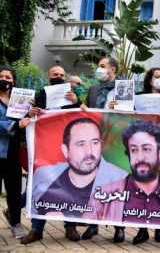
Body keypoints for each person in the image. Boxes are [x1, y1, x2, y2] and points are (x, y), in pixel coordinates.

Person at [84, 119, 160, 227]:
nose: (140, 157)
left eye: (146, 149)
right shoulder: (102, 196)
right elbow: (87, 232)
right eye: (134, 150)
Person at [22, 65, 84, 244]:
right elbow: (27, 120)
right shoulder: (38, 96)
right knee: (40, 187)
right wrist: (31, 113)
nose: (58, 77)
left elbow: (85, 115)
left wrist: (76, 103)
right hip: (45, 150)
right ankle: (36, 229)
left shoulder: (71, 96)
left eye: (62, 75)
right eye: (55, 74)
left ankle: (70, 228)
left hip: (68, 151)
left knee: (71, 188)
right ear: (48, 77)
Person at [80, 56, 126, 243]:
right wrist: (82, 107)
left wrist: (121, 107)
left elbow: (133, 114)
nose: (98, 69)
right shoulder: (92, 90)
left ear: (112, 70)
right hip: (94, 143)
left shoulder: (125, 89)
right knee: (93, 184)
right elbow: (87, 111)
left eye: (102, 66)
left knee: (116, 184)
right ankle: (93, 225)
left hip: (115, 143)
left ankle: (119, 227)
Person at [132, 67, 160, 245]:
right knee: (142, 186)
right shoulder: (139, 96)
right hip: (143, 145)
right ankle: (142, 228)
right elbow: (128, 114)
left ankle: (159, 228)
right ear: (150, 79)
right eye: (157, 76)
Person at [0, 66, 30, 239]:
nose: (5, 80)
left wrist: (31, 112)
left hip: (13, 153)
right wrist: (14, 125)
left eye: (8, 77)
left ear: (13, 81)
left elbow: (26, 120)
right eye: (1, 76)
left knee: (14, 189)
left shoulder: (18, 100)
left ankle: (16, 224)